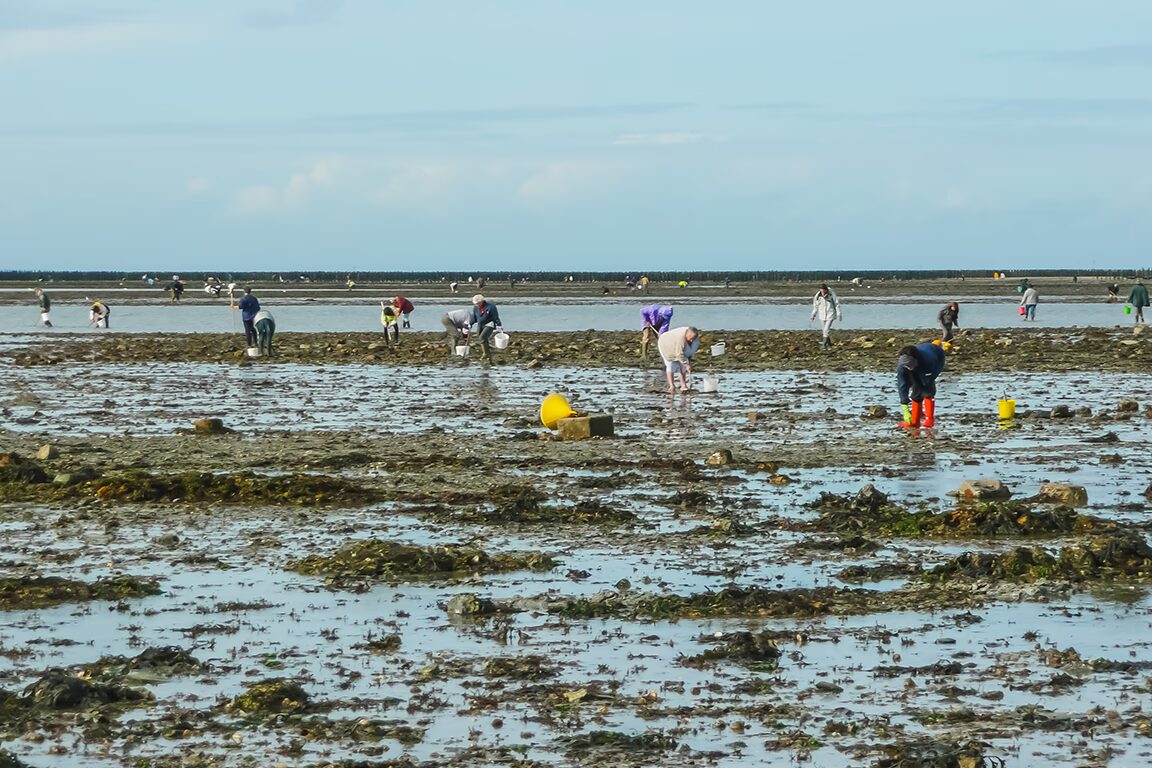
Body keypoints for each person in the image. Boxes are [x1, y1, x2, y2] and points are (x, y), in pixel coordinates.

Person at [896, 341, 947, 429]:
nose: (908, 367)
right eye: (906, 365)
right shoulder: (902, 366)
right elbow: (902, 385)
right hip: (919, 361)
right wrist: (905, 408)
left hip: (937, 356)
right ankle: (915, 420)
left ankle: (929, 419)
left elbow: (928, 380)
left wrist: (921, 385)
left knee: (926, 389)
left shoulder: (928, 361)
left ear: (915, 360)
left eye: (910, 365)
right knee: (915, 390)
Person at [657, 326, 700, 393]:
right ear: (687, 334)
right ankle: (671, 386)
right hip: (665, 344)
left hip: (677, 347)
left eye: (693, 339)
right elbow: (679, 354)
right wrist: (687, 364)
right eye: (690, 339)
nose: (691, 341)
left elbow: (688, 352)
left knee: (682, 366)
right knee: (671, 366)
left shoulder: (694, 336)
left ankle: (683, 385)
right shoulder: (680, 339)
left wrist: (687, 362)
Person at [468, 294, 503, 364]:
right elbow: (474, 317)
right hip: (480, 325)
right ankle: (488, 356)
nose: (477, 305)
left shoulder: (491, 307)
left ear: (482, 302)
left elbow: (495, 316)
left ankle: (485, 354)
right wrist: (470, 324)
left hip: (490, 324)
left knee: (482, 337)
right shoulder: (475, 308)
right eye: (475, 304)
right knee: (482, 339)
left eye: (478, 303)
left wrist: (499, 325)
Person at [810, 283, 842, 349]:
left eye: (824, 290)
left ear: (826, 290)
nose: (823, 292)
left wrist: (839, 313)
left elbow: (836, 304)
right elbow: (815, 306)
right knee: (824, 330)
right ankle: (829, 344)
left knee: (826, 329)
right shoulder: (818, 296)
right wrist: (813, 314)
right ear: (820, 290)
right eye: (821, 290)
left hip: (830, 313)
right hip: (822, 314)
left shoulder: (831, 294)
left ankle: (824, 345)